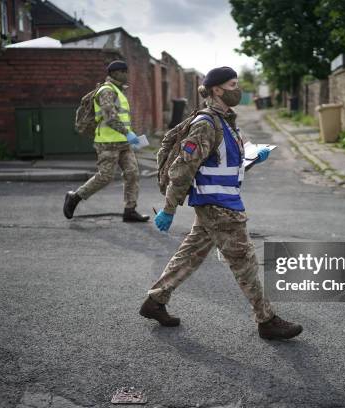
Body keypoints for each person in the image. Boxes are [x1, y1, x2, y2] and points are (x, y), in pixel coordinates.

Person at [139, 67, 303, 340]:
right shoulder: (205, 124)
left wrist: (252, 160)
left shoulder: (224, 122)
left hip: (219, 202)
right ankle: (267, 320)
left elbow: (223, 166)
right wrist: (169, 209)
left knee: (191, 254)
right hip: (219, 206)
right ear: (216, 89)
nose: (237, 89)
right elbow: (183, 169)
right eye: (233, 84)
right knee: (244, 261)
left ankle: (155, 301)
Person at [63, 60, 150, 222]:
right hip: (107, 143)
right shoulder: (106, 91)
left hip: (123, 143)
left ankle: (130, 210)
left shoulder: (118, 91)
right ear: (115, 73)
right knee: (105, 177)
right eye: (124, 71)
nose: (126, 74)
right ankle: (75, 197)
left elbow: (121, 118)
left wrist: (130, 137)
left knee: (132, 173)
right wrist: (128, 133)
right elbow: (110, 118)